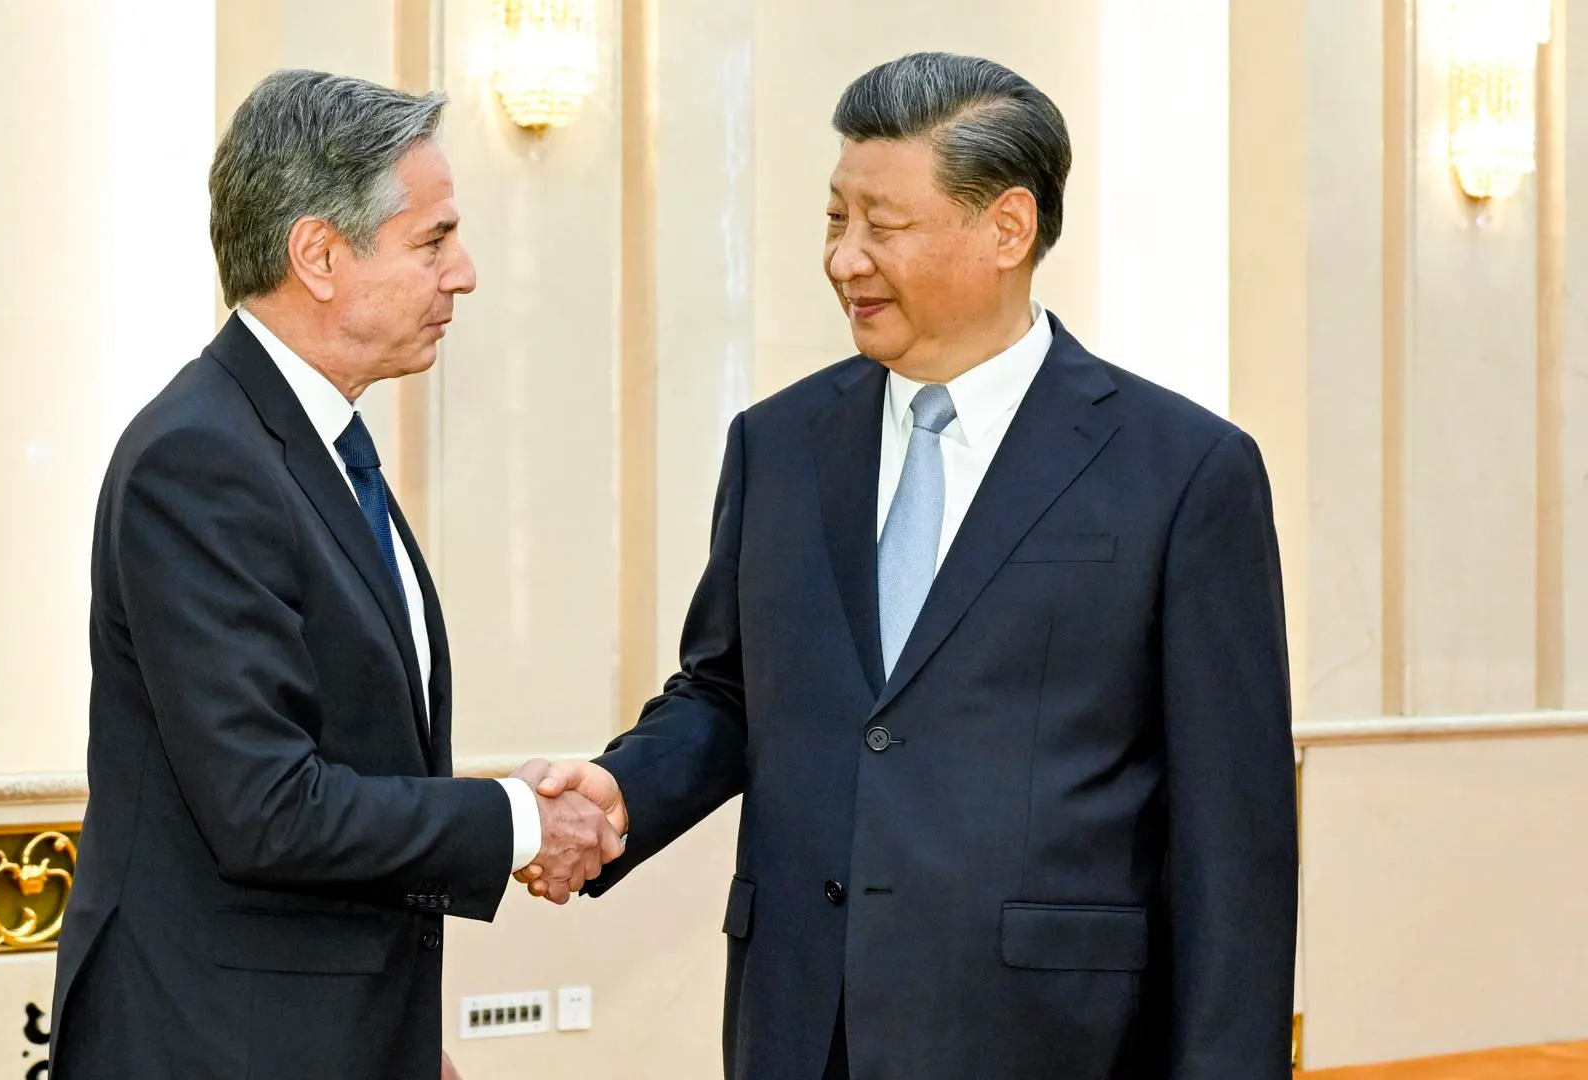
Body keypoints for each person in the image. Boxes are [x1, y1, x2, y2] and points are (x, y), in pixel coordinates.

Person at [516, 51, 1298, 1079]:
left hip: (1057, 1039)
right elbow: (729, 690)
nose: (845, 258)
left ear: (1007, 229)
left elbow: (1232, 837)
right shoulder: (779, 445)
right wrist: (626, 790)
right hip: (804, 1024)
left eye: (883, 226)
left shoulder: (1186, 471)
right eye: (835, 220)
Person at [49, 70, 621, 1080]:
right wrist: (523, 821)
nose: (466, 273)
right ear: (317, 254)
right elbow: (270, 808)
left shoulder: (305, 448)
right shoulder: (203, 459)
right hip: (214, 1044)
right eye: (435, 240)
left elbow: (352, 752)